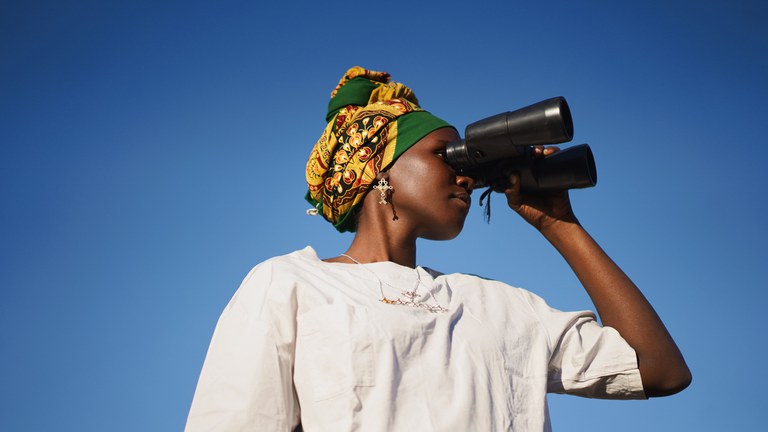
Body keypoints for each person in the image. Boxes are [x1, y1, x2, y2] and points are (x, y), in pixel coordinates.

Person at [185, 67, 691, 431]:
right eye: (443, 154)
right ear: (377, 168)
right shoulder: (293, 285)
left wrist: (559, 224)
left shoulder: (500, 306)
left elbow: (659, 370)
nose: (465, 173)